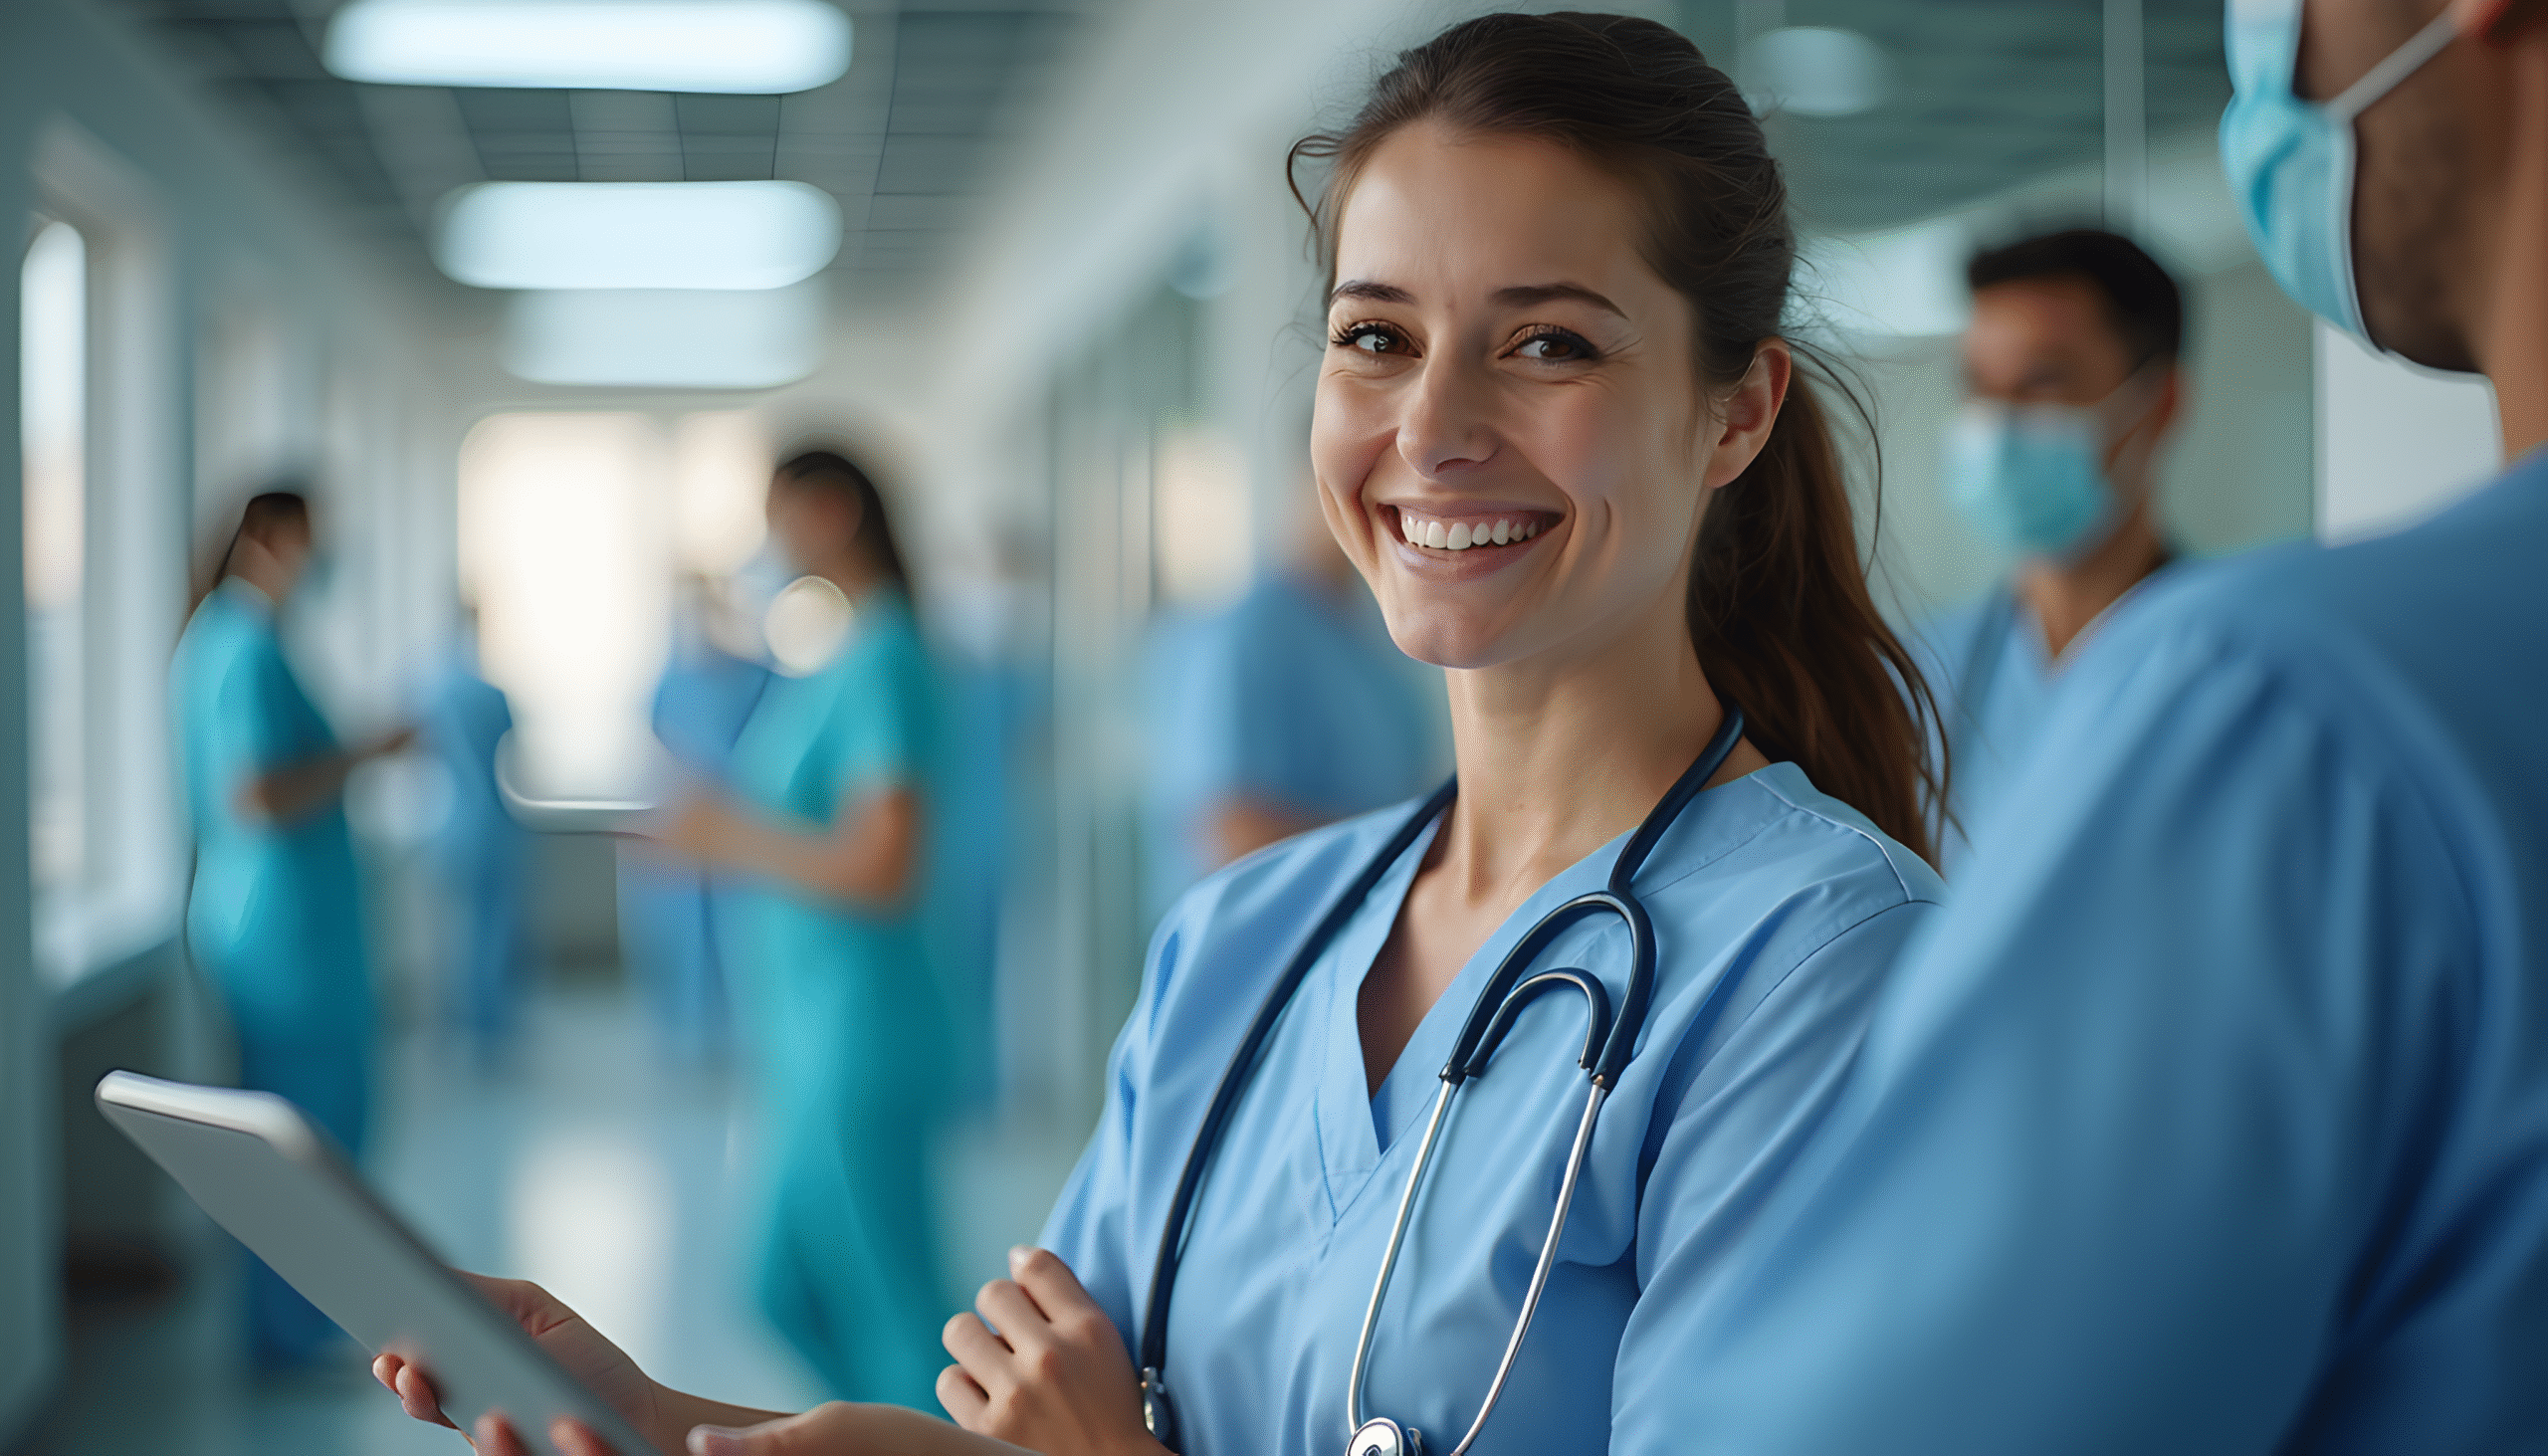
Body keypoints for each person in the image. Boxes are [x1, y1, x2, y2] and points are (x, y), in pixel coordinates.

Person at [376, 15, 1953, 1454]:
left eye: (1549, 342)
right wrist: (664, 1418)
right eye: (1377, 336)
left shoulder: (1827, 969)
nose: (1434, 425)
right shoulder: (1247, 939)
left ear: (1736, 410)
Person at [1646, 0, 2548, 1449]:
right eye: (1982, 388)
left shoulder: (2277, 709)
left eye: (2046, 388)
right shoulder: (1932, 685)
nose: (2283, 49)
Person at [653, 449, 955, 1407]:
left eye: (779, 515)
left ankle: (926, 1436)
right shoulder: (842, 657)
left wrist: (724, 833)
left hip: (857, 1035)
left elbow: (884, 864)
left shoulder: (885, 657)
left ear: (827, 512)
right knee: (781, 1287)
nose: (769, 544)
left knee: (896, 1310)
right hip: (804, 1034)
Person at [172, 488, 409, 1367]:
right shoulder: (242, 647)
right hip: (280, 936)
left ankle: (295, 1329)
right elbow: (257, 793)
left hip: (283, 927)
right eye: (314, 538)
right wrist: (364, 753)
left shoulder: (236, 641)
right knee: (298, 1140)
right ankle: (284, 1337)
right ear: (270, 537)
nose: (324, 555)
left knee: (312, 1130)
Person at [1916, 228, 2186, 871]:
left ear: (2161, 404)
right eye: (1980, 386)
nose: (1999, 424)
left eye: (2042, 382)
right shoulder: (1915, 680)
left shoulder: (2240, 667)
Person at [1141, 504, 1441, 920]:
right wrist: (1398, 855)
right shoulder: (1255, 632)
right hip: (1277, 946)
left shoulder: (1377, 631)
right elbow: (1230, 831)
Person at [619, 574, 771, 1065]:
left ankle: (730, 1033)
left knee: (737, 937)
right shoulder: (667, 682)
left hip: (737, 826)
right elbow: (657, 755)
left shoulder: (753, 676)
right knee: (676, 935)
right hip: (683, 825)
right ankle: (682, 1035)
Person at [413, 605, 529, 1059]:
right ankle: (489, 1030)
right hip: (493, 826)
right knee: (494, 932)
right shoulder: (493, 695)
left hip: (452, 826)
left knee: (455, 935)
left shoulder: (431, 691)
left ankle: (457, 1026)